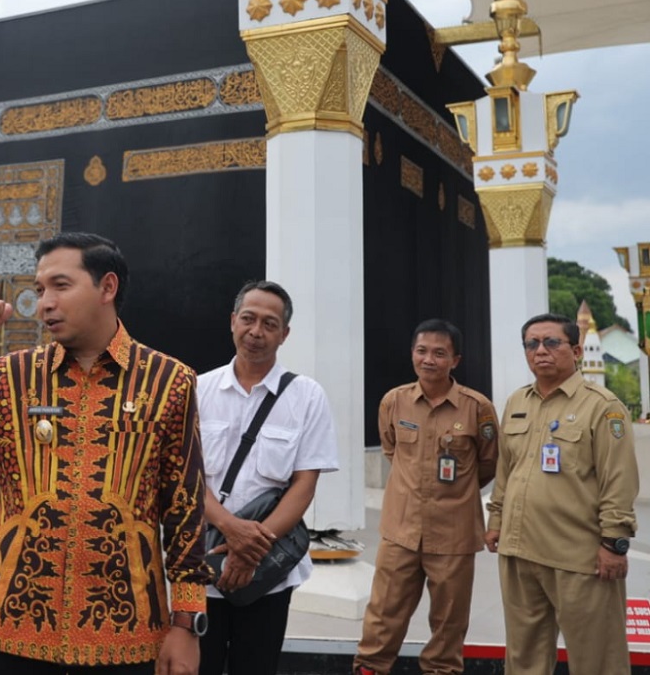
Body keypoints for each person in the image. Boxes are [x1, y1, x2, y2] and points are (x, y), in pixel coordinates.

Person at [0, 232, 211, 675]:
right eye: (39, 290)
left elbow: (185, 507)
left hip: (125, 635)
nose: (44, 303)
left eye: (60, 285)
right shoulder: (12, 377)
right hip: (16, 631)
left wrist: (186, 623)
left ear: (107, 288)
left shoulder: (169, 382)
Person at [195, 280, 338, 675]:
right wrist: (231, 530)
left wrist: (251, 549)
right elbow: (187, 475)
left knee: (255, 666)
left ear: (284, 334)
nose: (256, 332)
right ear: (232, 322)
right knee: (197, 666)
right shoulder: (197, 389)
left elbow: (304, 484)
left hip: (268, 572)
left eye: (270, 324)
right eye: (248, 319)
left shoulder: (307, 396)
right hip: (201, 564)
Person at [485, 313, 639, 675]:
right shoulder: (517, 402)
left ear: (575, 350)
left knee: (598, 660)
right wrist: (496, 521)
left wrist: (614, 542)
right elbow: (507, 470)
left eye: (551, 343)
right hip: (519, 552)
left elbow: (619, 481)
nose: (540, 351)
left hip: (580, 558)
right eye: (531, 344)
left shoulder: (602, 406)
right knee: (524, 660)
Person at [352, 319, 497, 675]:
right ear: (412, 354)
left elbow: (488, 465)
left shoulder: (477, 408)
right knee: (382, 616)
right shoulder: (394, 402)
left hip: (454, 535)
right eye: (421, 351)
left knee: (448, 626)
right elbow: (391, 451)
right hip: (400, 530)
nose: (428, 359)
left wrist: (453, 494)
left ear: (455, 360)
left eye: (439, 353)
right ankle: (370, 669)